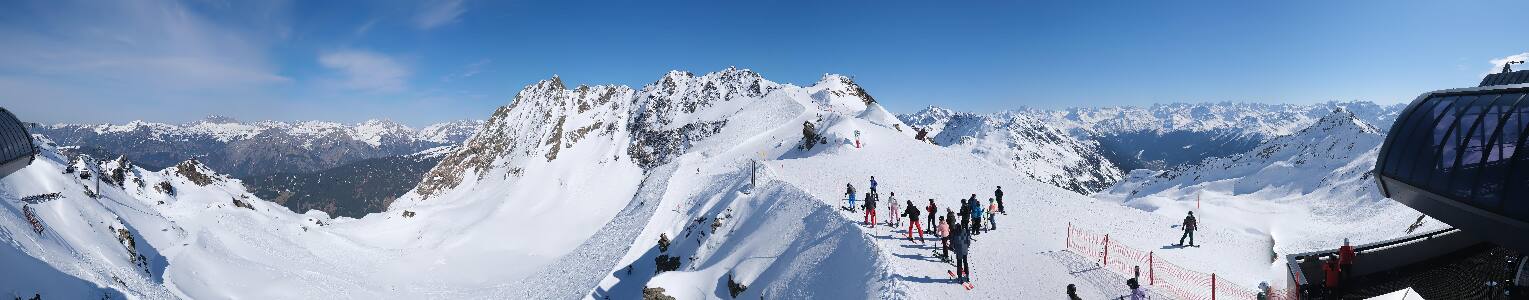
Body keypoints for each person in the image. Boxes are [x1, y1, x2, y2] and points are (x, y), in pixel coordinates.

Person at [952, 219, 972, 284]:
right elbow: (968, 242)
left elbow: (953, 243)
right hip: (965, 250)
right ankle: (967, 275)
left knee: (959, 263)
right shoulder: (965, 232)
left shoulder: (955, 234)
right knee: (965, 262)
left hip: (959, 251)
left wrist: (954, 248)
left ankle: (960, 276)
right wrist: (966, 246)